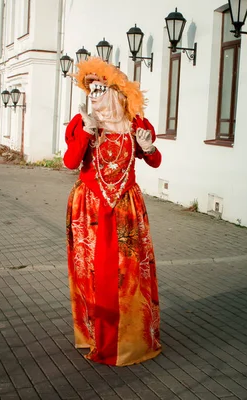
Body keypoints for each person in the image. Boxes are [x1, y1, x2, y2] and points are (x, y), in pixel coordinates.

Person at [64, 57, 162, 366]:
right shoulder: (82, 122)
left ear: (118, 91)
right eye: (89, 89)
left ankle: (132, 338)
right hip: (89, 206)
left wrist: (148, 149)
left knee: (128, 273)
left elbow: (155, 160)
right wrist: (87, 132)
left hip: (125, 207)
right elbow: (70, 162)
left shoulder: (136, 125)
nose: (93, 95)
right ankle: (95, 335)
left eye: (100, 88)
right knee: (92, 272)